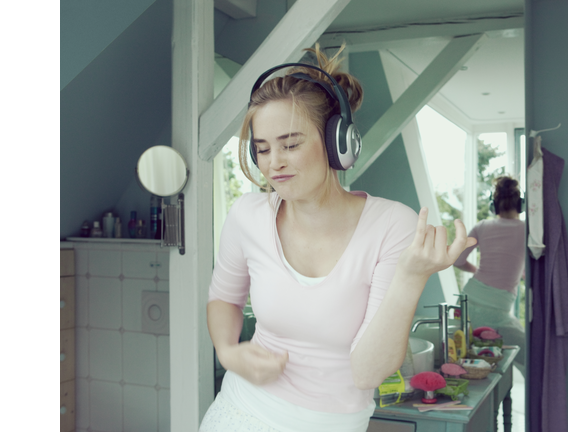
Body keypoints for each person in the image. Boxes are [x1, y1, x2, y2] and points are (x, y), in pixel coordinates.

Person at [198, 45, 476, 432]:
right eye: (262, 149)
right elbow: (224, 298)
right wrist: (229, 352)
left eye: (290, 144)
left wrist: (411, 279)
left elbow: (367, 373)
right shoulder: (247, 215)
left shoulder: (392, 224)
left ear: (336, 143)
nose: (273, 162)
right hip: (241, 409)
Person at [453, 176, 527, 375]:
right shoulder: (526, 229)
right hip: (496, 311)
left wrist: (478, 271)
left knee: (468, 361)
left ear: (495, 206)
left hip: (467, 303)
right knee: (530, 359)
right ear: (520, 204)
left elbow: (457, 260)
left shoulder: (482, 226)